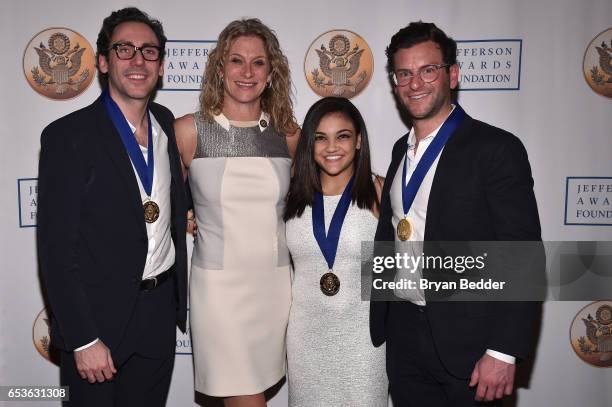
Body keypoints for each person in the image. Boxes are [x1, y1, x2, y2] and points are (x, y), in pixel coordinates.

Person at [369, 21, 541, 406]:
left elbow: (523, 254)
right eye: (405, 74)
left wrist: (503, 350)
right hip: (404, 336)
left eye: (428, 70)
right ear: (395, 82)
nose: (416, 84)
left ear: (453, 74)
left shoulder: (495, 148)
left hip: (472, 343)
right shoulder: (401, 150)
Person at [37, 7, 187, 406]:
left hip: (157, 314)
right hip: (97, 320)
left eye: (149, 51)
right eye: (125, 50)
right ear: (103, 62)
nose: (138, 61)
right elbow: (55, 251)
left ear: (160, 64)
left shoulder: (166, 124)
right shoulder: (68, 137)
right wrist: (83, 338)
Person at [174, 18, 298, 407]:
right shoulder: (188, 132)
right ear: (219, 68)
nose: (247, 72)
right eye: (236, 61)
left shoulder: (290, 135)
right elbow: (159, 202)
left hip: (276, 287)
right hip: (219, 292)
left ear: (271, 71)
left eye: (258, 63)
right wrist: (185, 217)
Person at [284, 97, 387, 406]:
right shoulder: (292, 197)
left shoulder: (379, 191)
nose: (332, 147)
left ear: (358, 141)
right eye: (320, 137)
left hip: (363, 344)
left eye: (342, 135)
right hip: (305, 340)